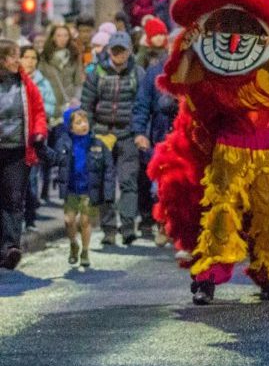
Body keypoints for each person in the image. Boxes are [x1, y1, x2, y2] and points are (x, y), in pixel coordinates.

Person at [80, 32, 142, 246]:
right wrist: (87, 132)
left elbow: (142, 106)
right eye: (115, 49)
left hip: (127, 134)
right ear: (108, 51)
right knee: (105, 183)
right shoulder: (96, 72)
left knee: (128, 182)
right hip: (102, 133)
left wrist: (140, 131)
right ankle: (108, 230)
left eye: (122, 50)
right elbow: (86, 105)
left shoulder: (138, 73)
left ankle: (127, 228)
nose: (118, 54)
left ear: (129, 51)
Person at [0, 39, 48, 269]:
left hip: (19, 150)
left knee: (14, 198)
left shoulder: (25, 83)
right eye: (12, 55)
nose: (17, 60)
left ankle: (11, 247)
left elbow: (38, 110)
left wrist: (39, 133)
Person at [131, 33, 178, 245]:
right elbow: (142, 105)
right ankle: (162, 224)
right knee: (161, 185)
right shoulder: (154, 72)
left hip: (189, 137)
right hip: (162, 137)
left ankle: (180, 228)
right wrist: (140, 132)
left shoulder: (196, 72)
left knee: (184, 185)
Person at [56, 108, 110, 267]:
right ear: (70, 127)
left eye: (85, 121)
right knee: (68, 220)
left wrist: (107, 191)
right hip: (71, 189)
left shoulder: (97, 143)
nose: (84, 125)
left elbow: (108, 168)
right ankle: (73, 243)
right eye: (78, 123)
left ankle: (85, 251)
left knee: (86, 221)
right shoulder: (64, 142)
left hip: (89, 189)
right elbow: (56, 159)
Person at [18, 45, 58, 230]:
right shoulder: (13, 80)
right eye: (26, 57)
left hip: (34, 136)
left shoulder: (42, 83)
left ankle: (30, 216)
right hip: (15, 136)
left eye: (33, 58)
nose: (30, 61)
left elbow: (48, 106)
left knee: (32, 179)